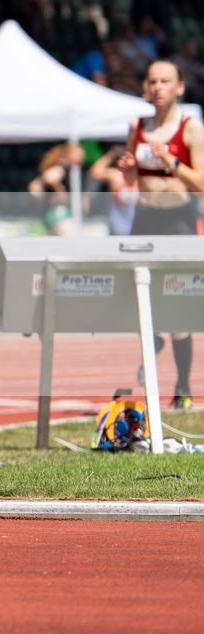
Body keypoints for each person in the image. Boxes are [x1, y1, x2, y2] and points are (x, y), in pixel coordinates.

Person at [117, 60, 201, 407]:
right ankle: (151, 338)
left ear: (179, 87)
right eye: (152, 81)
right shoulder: (137, 127)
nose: (157, 87)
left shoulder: (190, 128)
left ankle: (182, 386)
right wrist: (128, 171)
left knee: (178, 306)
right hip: (145, 218)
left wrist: (173, 163)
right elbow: (133, 182)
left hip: (178, 220)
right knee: (134, 293)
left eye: (165, 81)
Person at [28, 142, 85, 236]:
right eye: (79, 156)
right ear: (70, 155)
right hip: (57, 212)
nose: (81, 160)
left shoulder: (67, 170)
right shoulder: (60, 168)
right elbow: (46, 179)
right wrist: (60, 191)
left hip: (53, 214)